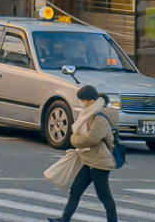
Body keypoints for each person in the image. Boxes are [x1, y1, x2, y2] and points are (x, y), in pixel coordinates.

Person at [48, 84, 119, 222]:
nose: (82, 104)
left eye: (83, 101)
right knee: (75, 191)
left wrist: (74, 140)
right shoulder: (92, 113)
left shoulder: (99, 117)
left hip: (99, 163)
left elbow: (93, 138)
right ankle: (64, 219)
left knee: (104, 196)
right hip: (90, 160)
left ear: (91, 102)